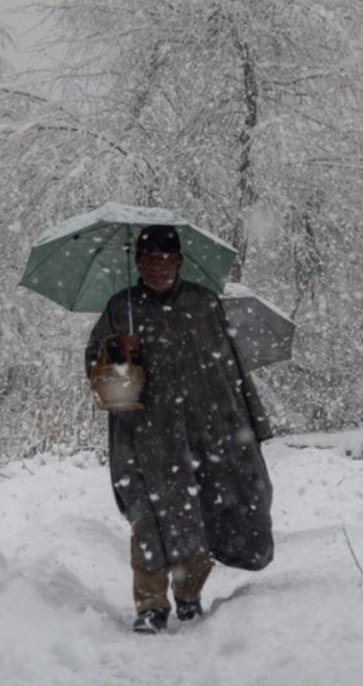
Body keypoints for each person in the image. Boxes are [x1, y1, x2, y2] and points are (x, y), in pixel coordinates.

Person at [84, 224, 274, 634]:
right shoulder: (122, 307)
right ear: (137, 264)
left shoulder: (203, 304)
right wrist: (118, 357)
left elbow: (227, 368)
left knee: (197, 513)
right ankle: (150, 606)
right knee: (148, 516)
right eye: (151, 260)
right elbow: (95, 362)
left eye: (168, 260)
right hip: (143, 435)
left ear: (180, 262)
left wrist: (241, 421)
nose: (160, 268)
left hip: (201, 433)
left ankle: (188, 597)